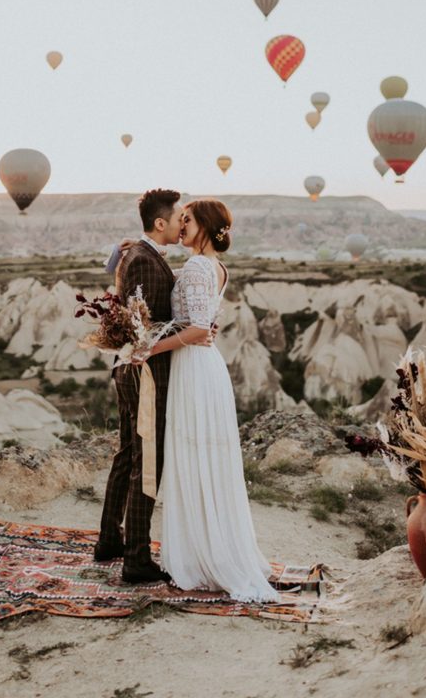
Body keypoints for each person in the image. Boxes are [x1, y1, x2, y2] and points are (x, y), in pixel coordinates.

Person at [149, 198, 280, 602]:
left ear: (205, 226)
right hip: (205, 367)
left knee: (192, 458)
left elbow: (197, 328)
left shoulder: (197, 267)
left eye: (187, 221)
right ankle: (214, 548)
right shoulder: (217, 268)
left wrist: (148, 349)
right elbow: (199, 322)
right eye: (180, 219)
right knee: (206, 460)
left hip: (192, 367)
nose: (181, 226)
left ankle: (202, 558)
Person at [95, 188, 214, 583]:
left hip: (130, 368)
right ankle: (136, 558)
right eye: (178, 216)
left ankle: (110, 539)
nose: (183, 222)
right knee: (148, 461)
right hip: (146, 373)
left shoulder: (143, 256)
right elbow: (144, 328)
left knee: (129, 453)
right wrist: (195, 330)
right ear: (160, 223)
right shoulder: (145, 260)